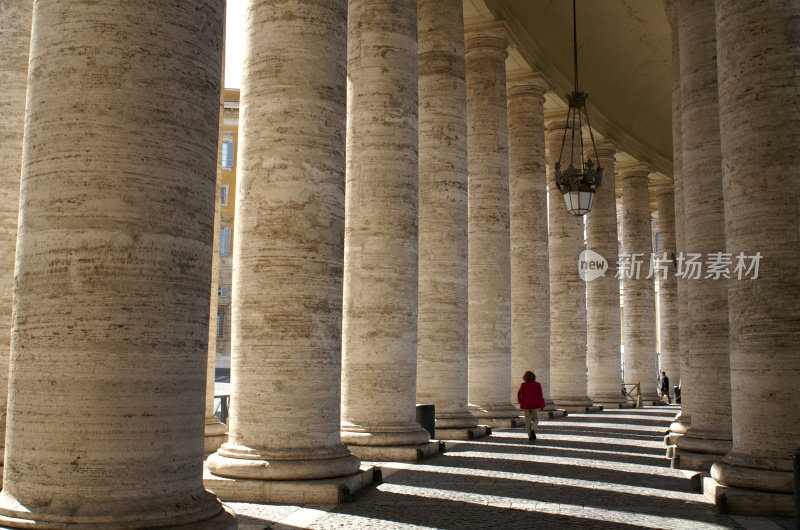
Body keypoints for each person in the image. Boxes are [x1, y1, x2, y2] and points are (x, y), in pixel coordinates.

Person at [517, 371, 546, 442]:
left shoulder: (523, 384)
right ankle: (533, 428)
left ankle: (530, 435)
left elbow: (518, 394)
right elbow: (540, 395)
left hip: (526, 405)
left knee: (528, 421)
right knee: (536, 419)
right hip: (535, 404)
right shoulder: (538, 384)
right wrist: (542, 404)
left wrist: (521, 402)